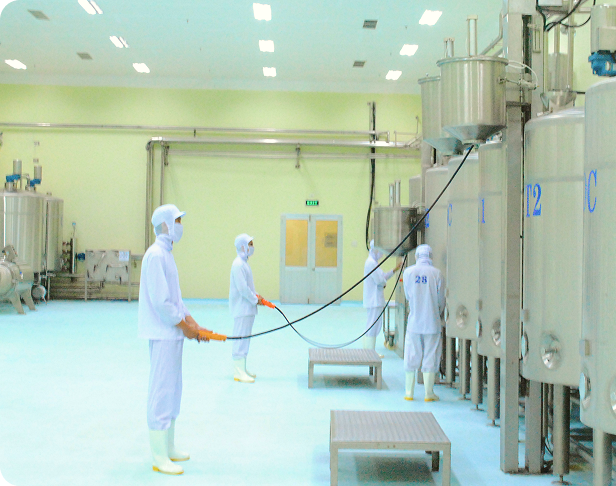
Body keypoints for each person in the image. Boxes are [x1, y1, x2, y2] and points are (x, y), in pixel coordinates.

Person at [138, 204, 212, 475]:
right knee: (161, 391)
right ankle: (159, 456)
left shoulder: (167, 255)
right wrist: (184, 326)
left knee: (172, 390)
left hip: (173, 334)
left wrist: (193, 324)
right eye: (178, 220)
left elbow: (177, 300)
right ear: (166, 224)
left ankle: (168, 447)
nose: (181, 226)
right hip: (163, 334)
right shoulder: (155, 256)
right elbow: (162, 303)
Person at [402, 244, 445, 402]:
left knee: (411, 356)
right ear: (430, 256)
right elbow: (441, 299)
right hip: (432, 322)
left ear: (417, 256)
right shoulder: (437, 273)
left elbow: (407, 296)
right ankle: (428, 393)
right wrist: (437, 311)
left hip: (414, 322)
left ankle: (409, 392)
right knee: (430, 357)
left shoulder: (408, 272)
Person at [229, 234, 265, 383]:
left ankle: (242, 368)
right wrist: (256, 299)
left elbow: (248, 287)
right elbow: (243, 289)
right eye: (250, 244)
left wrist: (256, 296)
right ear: (243, 246)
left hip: (247, 308)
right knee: (240, 339)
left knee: (245, 339)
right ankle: (238, 372)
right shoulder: (238, 264)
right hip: (242, 309)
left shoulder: (243, 264)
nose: (252, 247)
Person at [363, 240, 401, 354]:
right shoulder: (371, 263)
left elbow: (382, 276)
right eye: (380, 251)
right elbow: (380, 280)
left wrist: (395, 269)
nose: (381, 254)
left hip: (375, 299)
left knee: (374, 325)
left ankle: (369, 351)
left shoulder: (373, 263)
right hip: (374, 300)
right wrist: (383, 283)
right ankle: (369, 352)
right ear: (375, 250)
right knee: (372, 326)